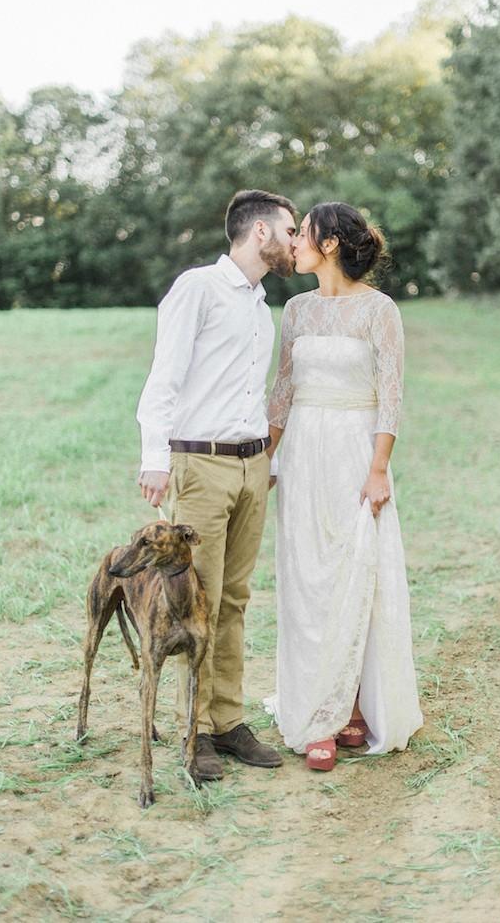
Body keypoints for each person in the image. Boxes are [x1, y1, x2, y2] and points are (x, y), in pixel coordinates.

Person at [137, 189, 297, 781]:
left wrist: (267, 461)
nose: (296, 239)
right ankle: (196, 731)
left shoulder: (259, 303)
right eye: (290, 228)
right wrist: (155, 455)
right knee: (195, 602)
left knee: (234, 599)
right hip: (199, 465)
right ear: (260, 233)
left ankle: (228, 721)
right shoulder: (197, 288)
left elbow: (249, 392)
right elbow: (165, 374)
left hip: (253, 466)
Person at [266, 202, 423, 771]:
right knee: (308, 577)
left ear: (329, 243)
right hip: (305, 450)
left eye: (302, 234)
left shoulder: (379, 310)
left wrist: (379, 468)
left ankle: (353, 705)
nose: (293, 243)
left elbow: (391, 393)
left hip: (356, 449)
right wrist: (265, 456)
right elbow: (282, 389)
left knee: (355, 571)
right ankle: (318, 712)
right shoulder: (296, 310)